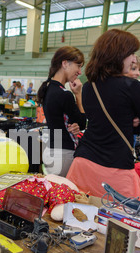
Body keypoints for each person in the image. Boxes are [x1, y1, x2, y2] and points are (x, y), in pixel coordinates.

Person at [66, 29, 140, 199]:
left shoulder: (90, 86)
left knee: (79, 215)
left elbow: (96, 121)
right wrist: (130, 123)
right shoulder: (132, 86)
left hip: (84, 162)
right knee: (118, 220)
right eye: (132, 53)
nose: (134, 58)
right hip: (116, 168)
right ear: (118, 54)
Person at [37, 46, 86, 177]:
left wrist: (74, 124)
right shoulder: (64, 94)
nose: (80, 72)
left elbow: (71, 123)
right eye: (78, 66)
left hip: (52, 150)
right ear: (65, 63)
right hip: (63, 153)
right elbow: (82, 123)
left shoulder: (48, 89)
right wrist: (79, 95)